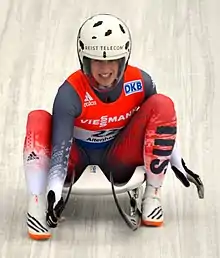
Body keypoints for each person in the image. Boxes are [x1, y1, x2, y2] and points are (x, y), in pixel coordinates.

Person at [23, 13, 204, 240]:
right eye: (97, 60)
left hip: (118, 157)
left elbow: (159, 122)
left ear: (124, 60)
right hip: (75, 159)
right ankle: (37, 204)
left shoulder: (141, 82)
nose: (105, 69)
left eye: (112, 60)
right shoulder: (70, 93)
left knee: (162, 103)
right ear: (84, 60)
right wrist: (53, 192)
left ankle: (153, 195)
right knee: (38, 117)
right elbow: (60, 150)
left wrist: (178, 162)